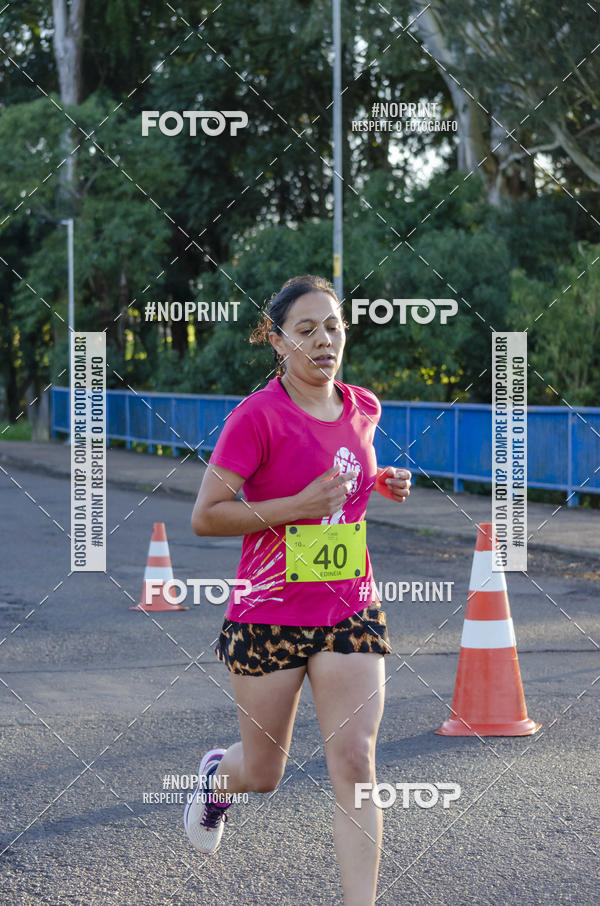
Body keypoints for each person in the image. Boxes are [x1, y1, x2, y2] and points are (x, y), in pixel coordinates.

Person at [184, 274, 411, 906]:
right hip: (269, 614)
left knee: (357, 766)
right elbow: (206, 515)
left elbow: (345, 480)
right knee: (263, 773)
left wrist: (381, 482)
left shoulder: (363, 406)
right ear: (276, 341)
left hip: (349, 606)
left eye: (333, 326)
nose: (323, 340)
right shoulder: (254, 418)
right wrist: (294, 505)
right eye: (305, 330)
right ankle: (215, 782)